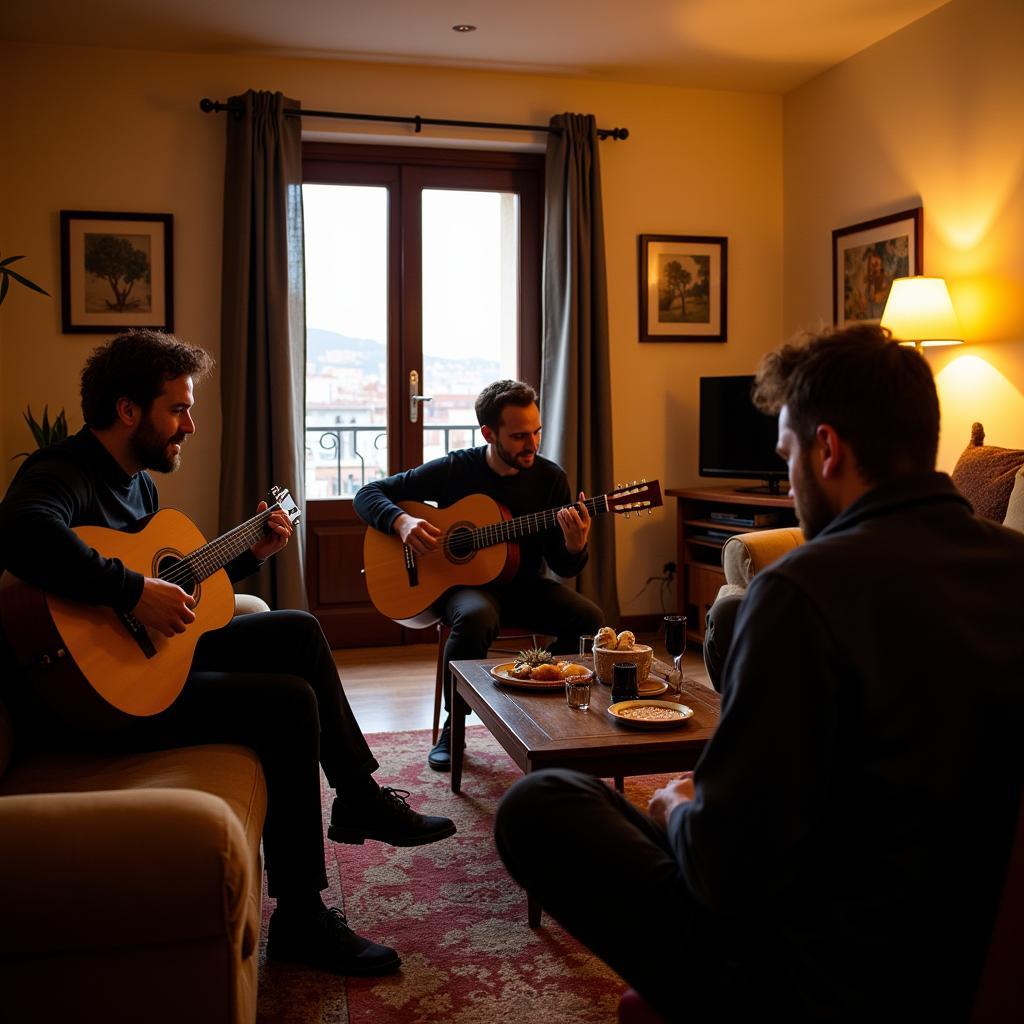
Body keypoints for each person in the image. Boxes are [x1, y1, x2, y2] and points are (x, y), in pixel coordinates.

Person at [494, 325, 1024, 1022]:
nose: (792, 475)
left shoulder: (804, 591)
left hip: (822, 972)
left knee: (543, 804)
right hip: (964, 943)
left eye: (788, 453)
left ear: (828, 449)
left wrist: (677, 806)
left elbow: (728, 872)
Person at [0, 329, 457, 977]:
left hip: (138, 667)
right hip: (86, 698)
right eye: (178, 409)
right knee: (287, 705)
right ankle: (301, 916)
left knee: (296, 630)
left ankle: (357, 794)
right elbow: (22, 533)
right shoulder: (61, 472)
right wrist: (132, 591)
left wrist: (247, 555)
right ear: (128, 411)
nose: (190, 424)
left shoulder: (140, 486)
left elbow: (174, 590)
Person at [355, 379, 603, 770]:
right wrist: (401, 522)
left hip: (524, 585)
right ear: (489, 433)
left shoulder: (550, 479)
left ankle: (534, 695)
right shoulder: (458, 468)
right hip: (466, 588)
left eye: (537, 432)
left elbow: (562, 566)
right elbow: (368, 494)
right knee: (475, 617)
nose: (533, 444)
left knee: (589, 619)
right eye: (520, 435)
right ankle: (455, 726)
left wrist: (575, 544)